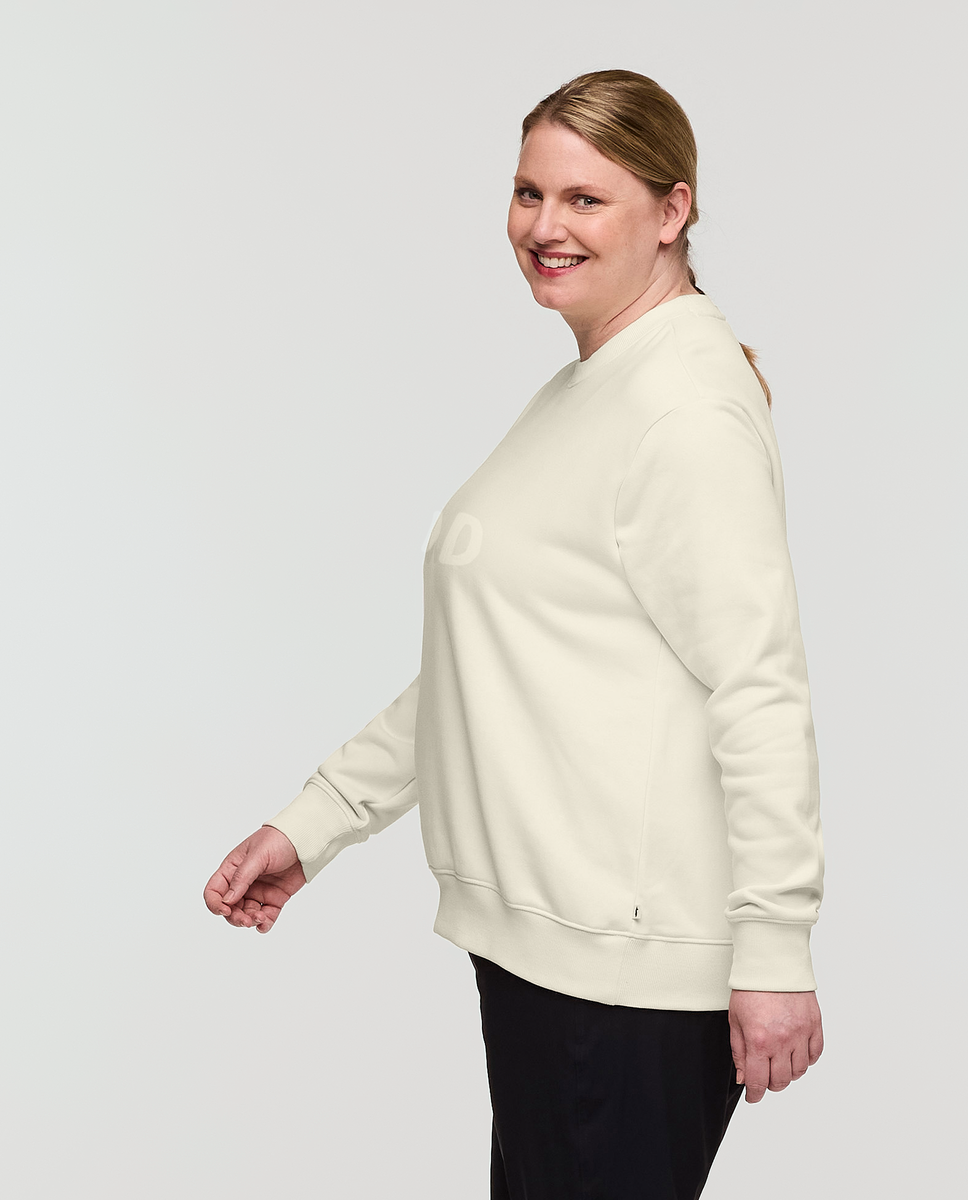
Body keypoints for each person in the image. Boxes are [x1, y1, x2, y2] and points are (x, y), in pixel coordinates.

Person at [204, 68, 825, 1199]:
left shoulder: (684, 409)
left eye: (586, 199)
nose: (545, 226)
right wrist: (315, 822)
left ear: (672, 210)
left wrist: (776, 952)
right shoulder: (592, 387)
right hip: (550, 954)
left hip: (625, 976)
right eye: (530, 192)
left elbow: (759, 689)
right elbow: (486, 666)